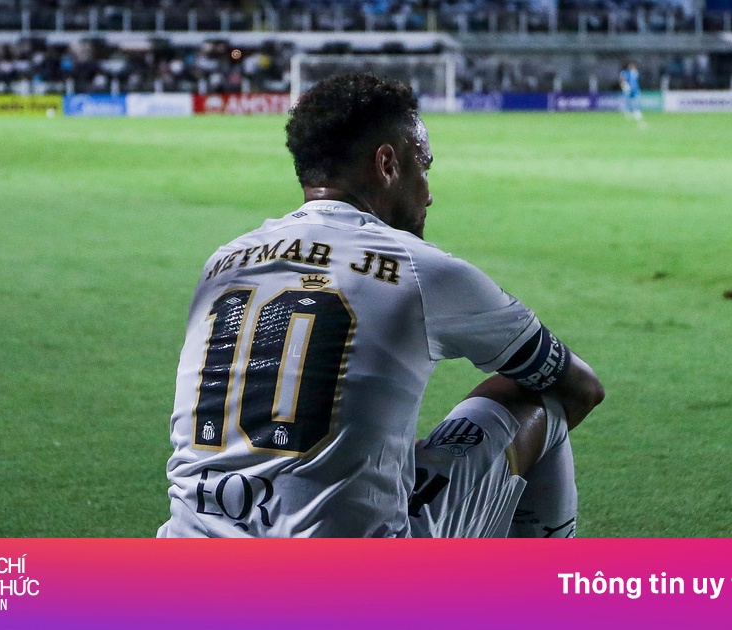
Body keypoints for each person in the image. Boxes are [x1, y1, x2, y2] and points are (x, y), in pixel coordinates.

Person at [157, 73, 605, 538]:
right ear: (387, 164)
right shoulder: (422, 269)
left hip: (186, 563)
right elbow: (581, 387)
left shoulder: (223, 262)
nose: (428, 193)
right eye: (423, 167)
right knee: (541, 398)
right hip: (345, 580)